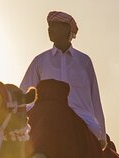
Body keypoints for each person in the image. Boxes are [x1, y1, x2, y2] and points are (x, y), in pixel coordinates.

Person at [20, 11, 107, 148]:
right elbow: (24, 96)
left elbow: (95, 98)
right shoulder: (40, 61)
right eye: (49, 26)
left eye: (55, 26)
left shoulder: (84, 61)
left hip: (82, 121)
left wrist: (102, 134)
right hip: (46, 119)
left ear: (67, 29)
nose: (50, 29)